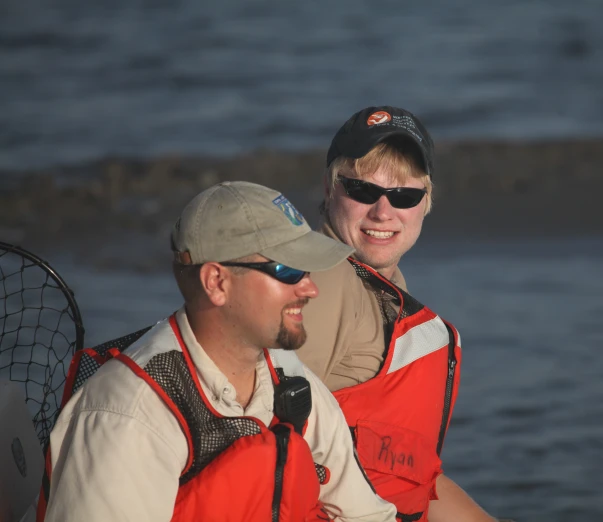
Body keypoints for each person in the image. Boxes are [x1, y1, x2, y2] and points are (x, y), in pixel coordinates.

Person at [38, 181, 397, 522]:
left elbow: (366, 514)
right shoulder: (129, 416)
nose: (310, 288)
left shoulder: (286, 374)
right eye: (287, 269)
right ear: (217, 282)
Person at [296, 107, 497, 522]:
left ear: (426, 203)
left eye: (404, 195)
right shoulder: (322, 282)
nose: (383, 212)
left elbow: (410, 477)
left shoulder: (385, 287)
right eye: (363, 191)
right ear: (329, 188)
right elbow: (255, 446)